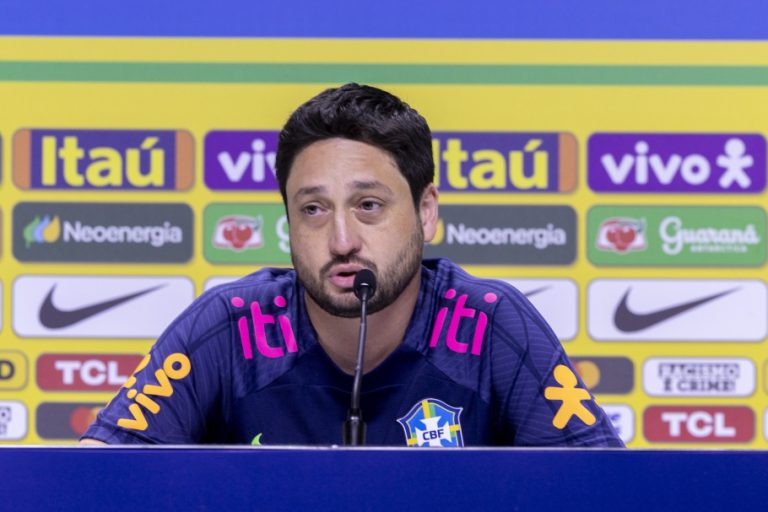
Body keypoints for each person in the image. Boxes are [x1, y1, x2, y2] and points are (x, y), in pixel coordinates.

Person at [81, 83, 623, 447]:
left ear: (425, 211)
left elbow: (609, 492)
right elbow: (93, 479)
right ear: (288, 223)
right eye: (312, 209)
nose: (342, 240)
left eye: (369, 206)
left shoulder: (490, 326)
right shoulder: (228, 328)